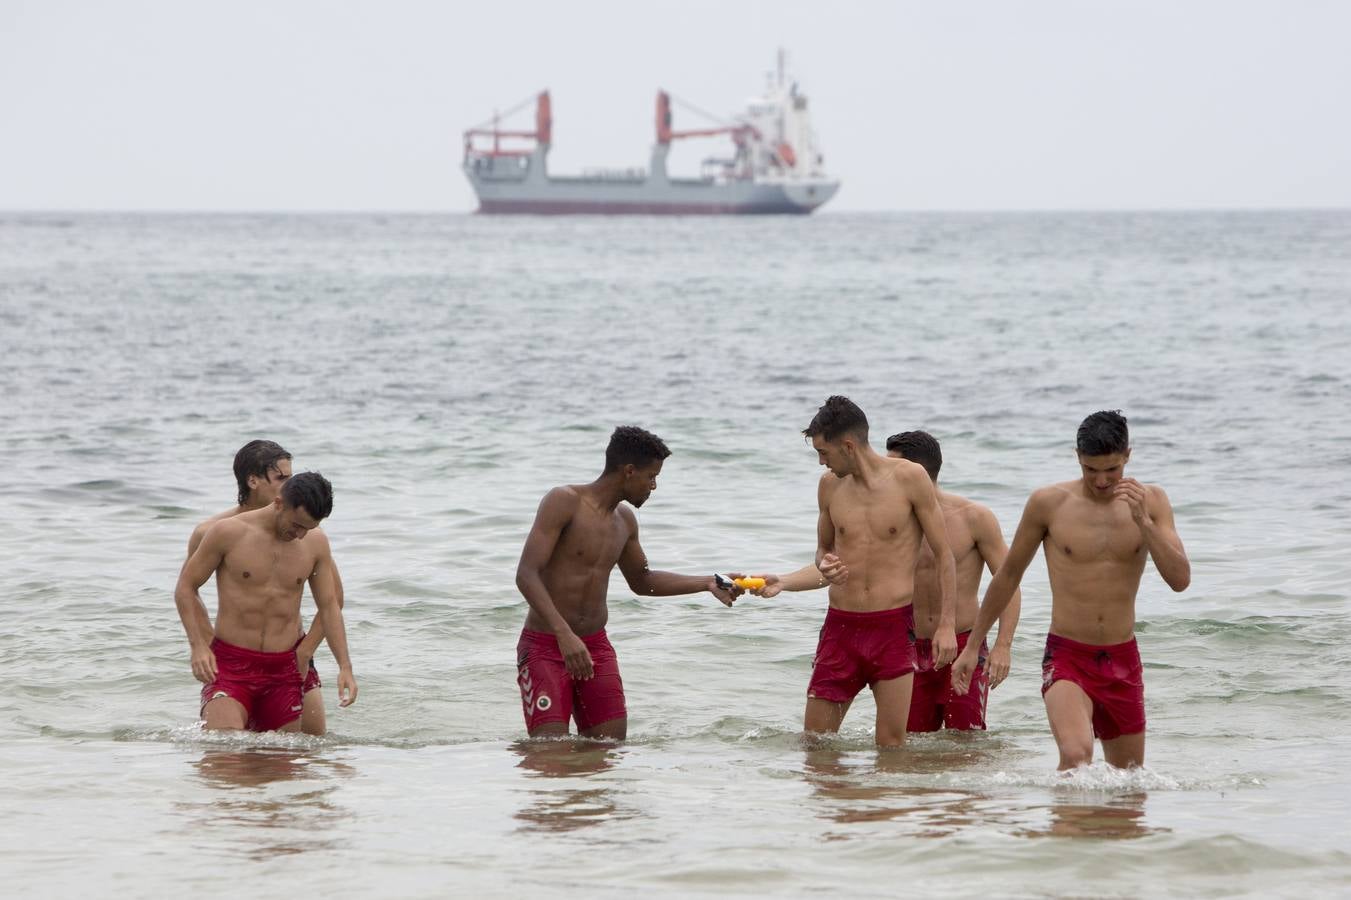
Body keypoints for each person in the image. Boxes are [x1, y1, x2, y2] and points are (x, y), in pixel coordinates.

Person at [952, 410, 1189, 769]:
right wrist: (973, 647)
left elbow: (1180, 580)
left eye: (1112, 470)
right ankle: (1066, 823)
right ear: (1078, 457)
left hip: (1122, 657)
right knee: (1077, 756)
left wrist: (1144, 523)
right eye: (1091, 470)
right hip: (1067, 656)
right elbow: (1008, 574)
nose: (1103, 481)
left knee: (1127, 785)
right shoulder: (1049, 503)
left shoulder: (1152, 501)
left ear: (1128, 454)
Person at [514, 426, 739, 741]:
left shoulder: (625, 521)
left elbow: (643, 581)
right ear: (629, 471)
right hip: (547, 647)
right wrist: (564, 634)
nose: (654, 486)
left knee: (608, 751)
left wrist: (706, 582)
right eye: (651, 477)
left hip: (595, 647)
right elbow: (526, 574)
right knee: (549, 756)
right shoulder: (563, 501)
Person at [796, 396, 957, 747]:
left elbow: (945, 555)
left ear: (849, 445)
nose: (822, 461)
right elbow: (823, 550)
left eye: (824, 452)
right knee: (815, 744)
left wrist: (946, 624)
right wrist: (824, 562)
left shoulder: (910, 479)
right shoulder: (829, 485)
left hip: (893, 629)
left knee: (891, 748)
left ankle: (880, 804)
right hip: (840, 627)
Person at [175, 472, 357, 732]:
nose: (300, 535)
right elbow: (186, 587)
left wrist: (344, 667)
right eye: (296, 525)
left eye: (309, 528)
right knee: (223, 756)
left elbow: (329, 606)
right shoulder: (228, 532)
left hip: (284, 669)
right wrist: (199, 646)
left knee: (280, 764)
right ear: (280, 503)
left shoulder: (315, 543)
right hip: (231, 664)